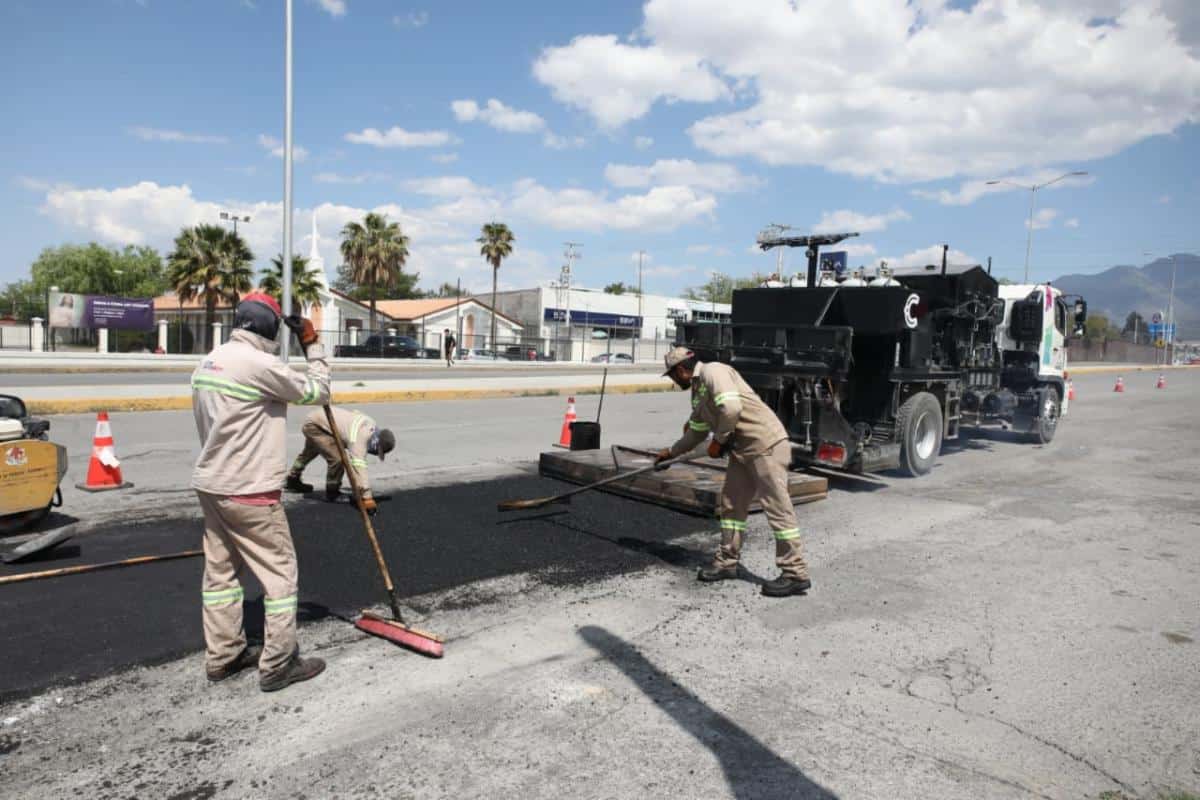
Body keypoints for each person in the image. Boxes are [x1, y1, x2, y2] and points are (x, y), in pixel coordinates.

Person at [190, 292, 330, 692]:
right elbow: (318, 391)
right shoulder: (261, 365)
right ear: (270, 328)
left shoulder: (207, 363)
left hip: (212, 486)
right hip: (250, 489)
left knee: (220, 575)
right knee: (281, 576)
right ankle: (278, 663)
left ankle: (224, 656)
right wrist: (312, 343)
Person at [655, 346, 811, 597]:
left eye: (672, 376)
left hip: (765, 444)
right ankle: (728, 562)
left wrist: (719, 440)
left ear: (681, 369)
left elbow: (731, 408)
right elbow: (695, 431)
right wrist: (671, 452)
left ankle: (795, 572)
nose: (674, 382)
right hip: (742, 452)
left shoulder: (714, 372)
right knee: (731, 506)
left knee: (777, 507)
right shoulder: (698, 392)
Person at [284, 408, 395, 512]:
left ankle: (292, 479)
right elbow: (359, 469)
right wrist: (367, 498)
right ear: (376, 443)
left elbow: (355, 412)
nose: (374, 453)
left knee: (309, 453)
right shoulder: (359, 440)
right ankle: (332, 492)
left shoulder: (371, 425)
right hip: (316, 426)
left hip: (321, 420)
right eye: (377, 451)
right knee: (338, 459)